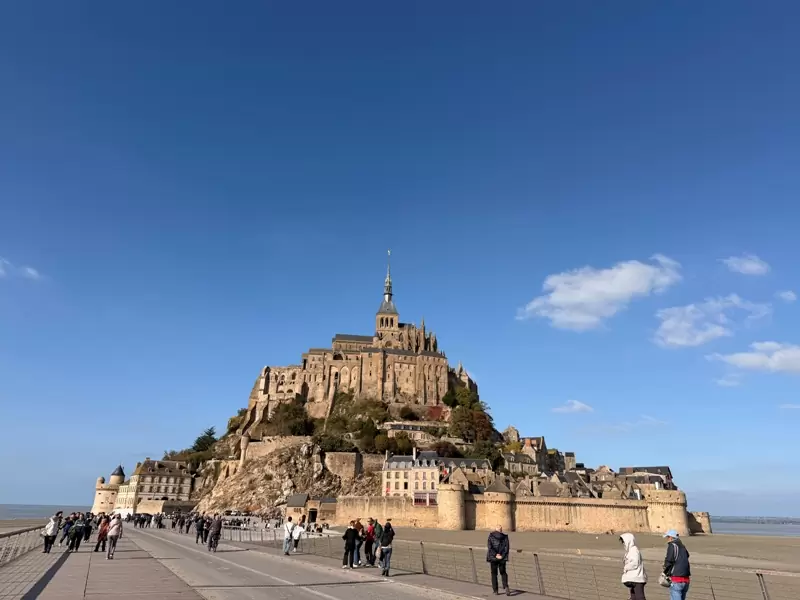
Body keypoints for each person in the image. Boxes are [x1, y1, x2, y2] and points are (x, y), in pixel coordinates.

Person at [663, 530, 691, 600]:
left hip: (676, 579)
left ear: (671, 537)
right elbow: (687, 555)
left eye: (668, 537)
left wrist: (665, 571)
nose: (667, 539)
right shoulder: (682, 546)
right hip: (686, 578)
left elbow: (669, 560)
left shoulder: (672, 545)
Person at [620, 533, 647, 600]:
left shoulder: (634, 550)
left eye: (624, 542)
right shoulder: (629, 551)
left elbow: (635, 563)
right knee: (633, 597)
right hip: (633, 578)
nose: (623, 544)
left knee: (639, 597)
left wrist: (626, 568)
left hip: (637, 578)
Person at [487, 524, 510, 595]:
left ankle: (495, 590)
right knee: (503, 572)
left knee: (494, 574)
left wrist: (495, 555)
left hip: (493, 558)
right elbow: (506, 548)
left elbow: (490, 547)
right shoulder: (505, 537)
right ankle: (506, 586)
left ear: (495, 529)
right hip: (502, 558)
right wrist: (502, 556)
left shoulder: (491, 536)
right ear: (501, 530)